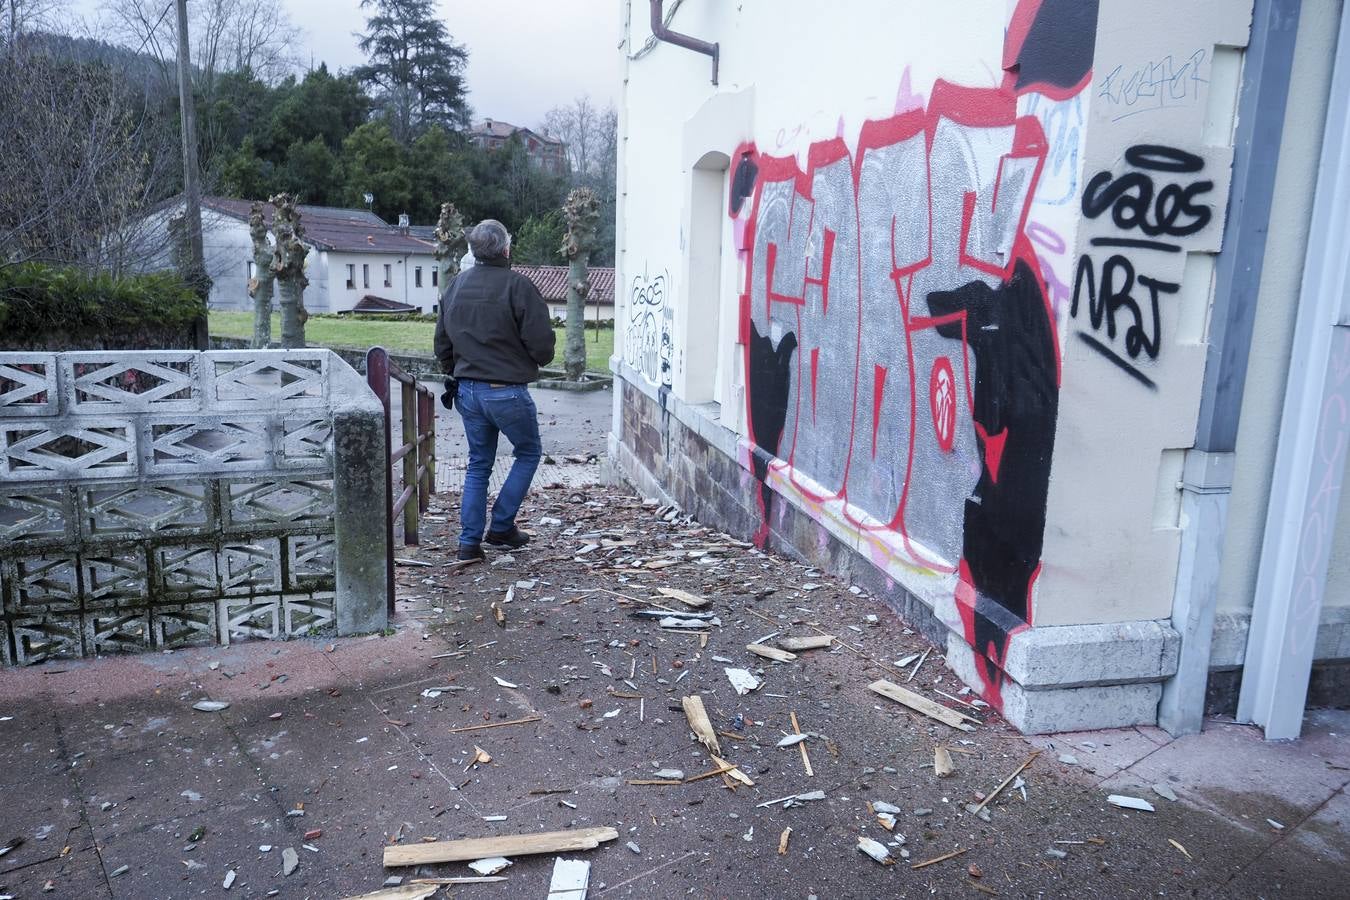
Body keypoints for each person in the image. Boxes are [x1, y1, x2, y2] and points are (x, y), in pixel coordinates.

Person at [434, 219, 556, 561]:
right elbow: (543, 347)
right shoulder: (519, 287)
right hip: (506, 390)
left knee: (478, 464)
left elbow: (442, 344)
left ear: (474, 251)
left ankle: (468, 544)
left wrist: (456, 372)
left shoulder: (454, 286)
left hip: (467, 391)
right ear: (505, 249)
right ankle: (501, 526)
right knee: (528, 452)